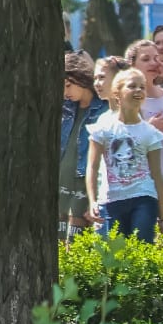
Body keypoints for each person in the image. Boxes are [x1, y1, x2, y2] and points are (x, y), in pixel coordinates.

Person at [86, 68, 163, 242]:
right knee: (113, 257)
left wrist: (162, 217)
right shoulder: (104, 128)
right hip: (111, 200)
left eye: (142, 87)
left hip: (143, 198)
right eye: (132, 86)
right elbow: (92, 168)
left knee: (141, 251)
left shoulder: (149, 132)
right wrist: (93, 201)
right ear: (118, 93)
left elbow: (157, 175)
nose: (138, 90)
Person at [124, 41, 163, 233]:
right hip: (142, 178)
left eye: (156, 58)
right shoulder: (128, 99)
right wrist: (150, 127)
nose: (153, 63)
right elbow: (124, 141)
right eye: (146, 59)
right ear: (132, 65)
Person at [57, 52, 100, 240]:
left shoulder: (103, 108)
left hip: (84, 182)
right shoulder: (65, 107)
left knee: (75, 244)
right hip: (61, 180)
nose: (66, 92)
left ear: (83, 77)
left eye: (68, 85)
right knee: (57, 243)